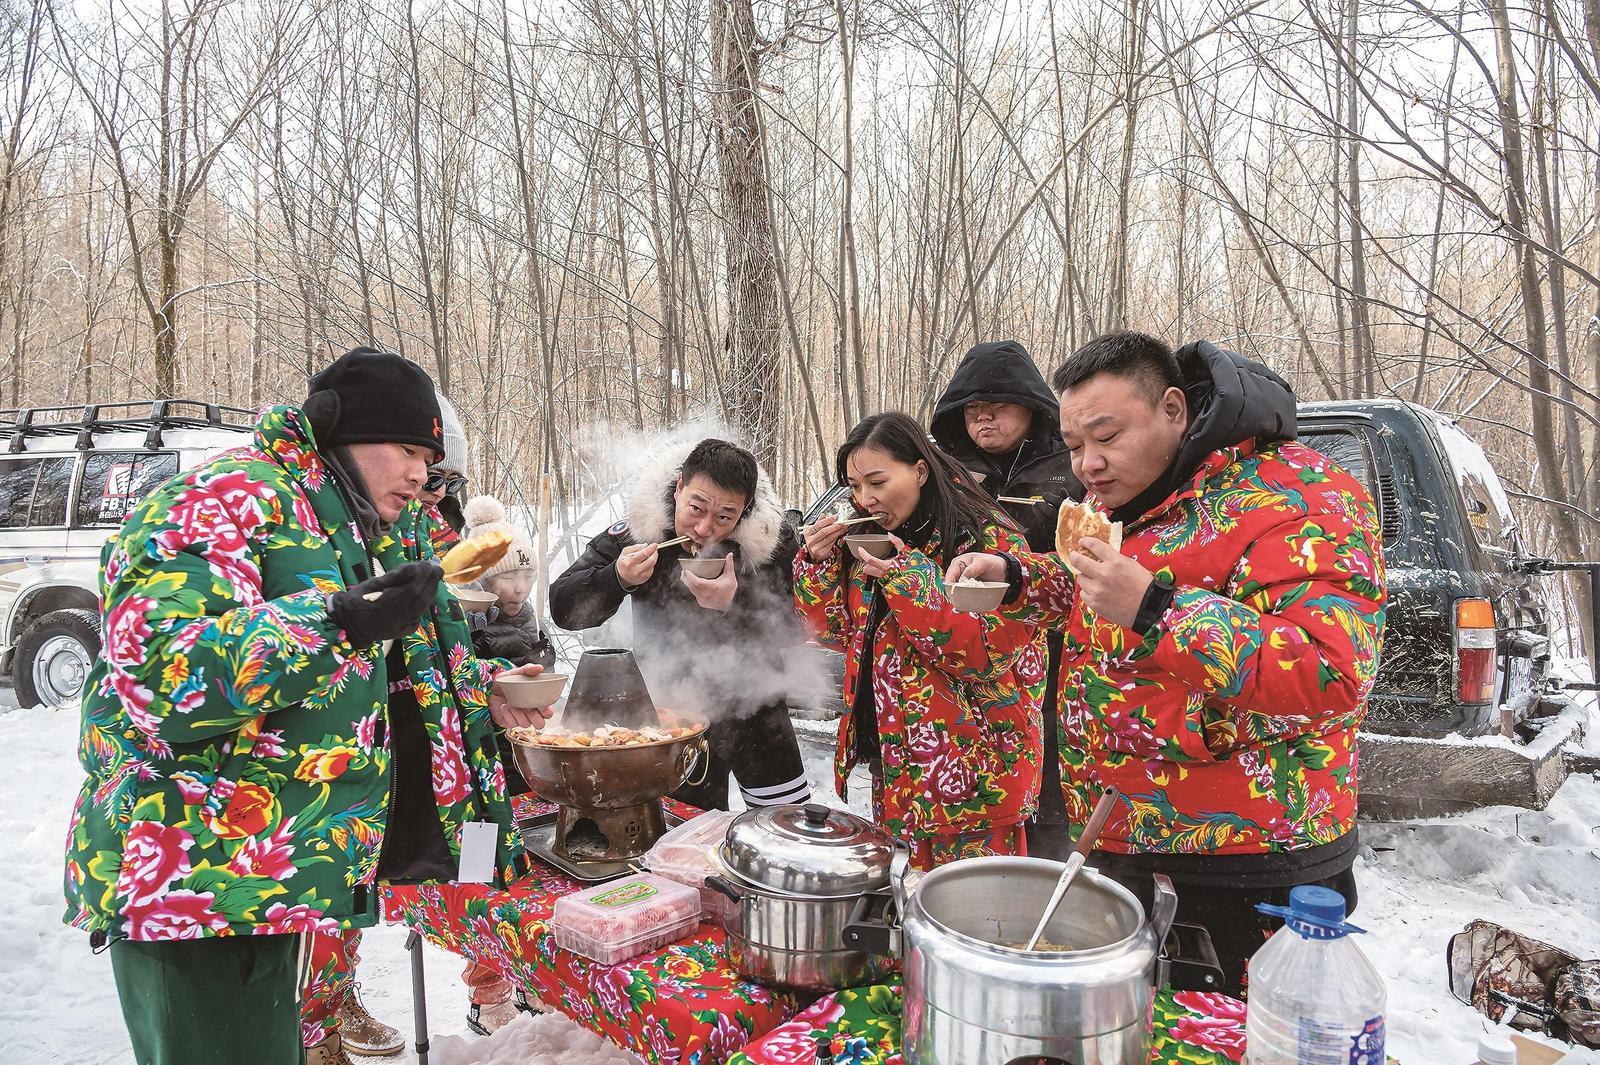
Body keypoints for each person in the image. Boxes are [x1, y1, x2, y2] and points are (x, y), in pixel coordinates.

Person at [62, 348, 551, 1065]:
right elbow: (163, 680)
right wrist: (336, 621)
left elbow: (375, 668)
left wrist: (483, 688)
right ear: (336, 429)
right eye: (407, 449)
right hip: (197, 886)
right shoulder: (222, 500)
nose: (422, 473)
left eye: (431, 457)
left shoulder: (351, 527)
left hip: (270, 881)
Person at [946, 332, 1386, 995]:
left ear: (1173, 410)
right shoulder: (1123, 496)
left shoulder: (1301, 495)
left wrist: (1156, 609)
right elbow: (1093, 588)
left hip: (1247, 857)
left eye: (1107, 436)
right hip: (1126, 828)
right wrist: (1016, 578)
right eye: (1073, 447)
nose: (1088, 464)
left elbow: (1330, 670)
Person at [298, 387, 479, 1061]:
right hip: (343, 734)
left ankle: (335, 993)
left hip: (404, 721)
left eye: (445, 480)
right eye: (426, 476)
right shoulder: (344, 521)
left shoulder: (425, 519)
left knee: (361, 879)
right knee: (330, 880)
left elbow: (449, 620)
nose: (433, 491)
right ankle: (313, 1023)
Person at [794, 412, 1045, 870]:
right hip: (898, 766)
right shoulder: (876, 539)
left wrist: (909, 579)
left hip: (972, 774)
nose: (864, 499)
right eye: (854, 486)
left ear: (921, 470)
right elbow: (833, 633)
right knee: (908, 910)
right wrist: (818, 563)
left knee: (975, 920)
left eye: (877, 482)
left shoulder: (988, 540)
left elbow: (986, 654)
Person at [550, 437, 812, 812]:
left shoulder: (770, 542)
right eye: (696, 508)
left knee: (786, 825)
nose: (704, 528)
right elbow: (565, 608)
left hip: (758, 711)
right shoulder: (637, 534)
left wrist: (733, 604)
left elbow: (807, 624)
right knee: (684, 837)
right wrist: (615, 578)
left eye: (724, 517)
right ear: (678, 489)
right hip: (674, 717)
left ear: (745, 512)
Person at [930, 338, 1079, 860]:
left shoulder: (1072, 465)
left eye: (996, 407)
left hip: (1054, 647)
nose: (983, 420)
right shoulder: (947, 472)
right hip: (972, 647)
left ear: (1030, 408)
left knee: (1051, 778)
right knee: (981, 772)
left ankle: (1047, 876)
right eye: (972, 410)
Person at [462, 495, 557, 670]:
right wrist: (521, 670)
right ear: (481, 581)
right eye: (508, 577)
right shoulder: (466, 632)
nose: (521, 589)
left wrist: (545, 668)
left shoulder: (535, 625)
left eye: (528, 576)